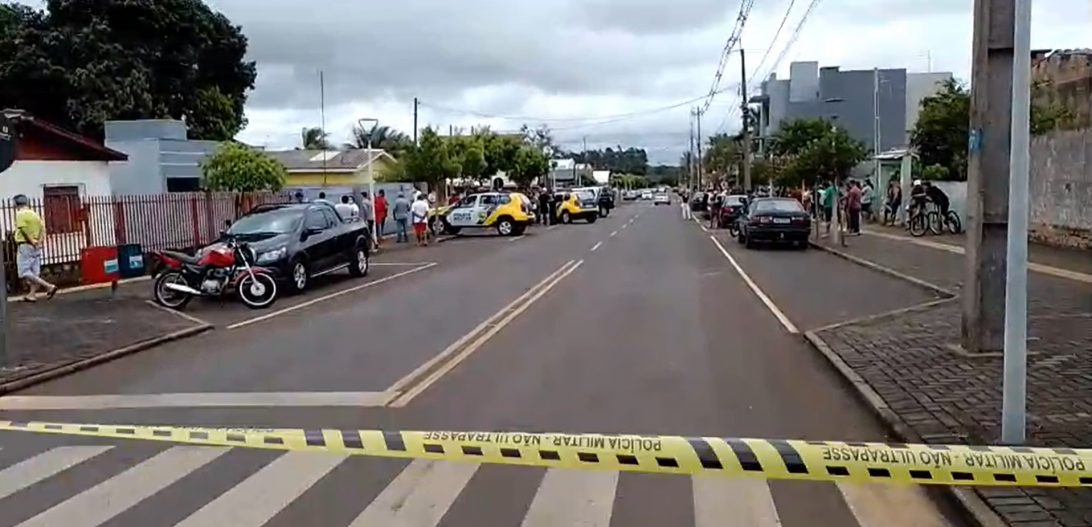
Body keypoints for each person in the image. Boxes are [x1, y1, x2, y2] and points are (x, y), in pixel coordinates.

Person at [13, 194, 57, 301]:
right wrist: (39, 241)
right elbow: (43, 228)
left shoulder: (20, 214)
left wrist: (32, 241)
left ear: (16, 203)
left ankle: (49, 286)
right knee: (34, 272)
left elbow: (23, 229)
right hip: (36, 246)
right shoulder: (34, 214)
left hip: (25, 245)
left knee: (23, 272)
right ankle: (32, 295)